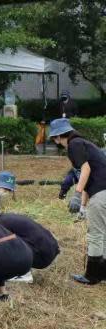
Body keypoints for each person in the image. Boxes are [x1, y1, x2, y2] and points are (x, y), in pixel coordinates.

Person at [49, 117, 106, 284]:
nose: (55, 141)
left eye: (54, 138)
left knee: (95, 235)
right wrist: (83, 204)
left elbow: (85, 169)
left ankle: (92, 276)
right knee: (104, 234)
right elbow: (90, 177)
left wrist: (76, 193)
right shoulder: (83, 143)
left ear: (59, 136)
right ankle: (103, 274)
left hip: (101, 194)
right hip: (102, 192)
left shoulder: (74, 145)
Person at [0, 202, 60, 271]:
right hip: (51, 249)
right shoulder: (6, 218)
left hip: (43, 256)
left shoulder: (0, 226)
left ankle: (21, 273)